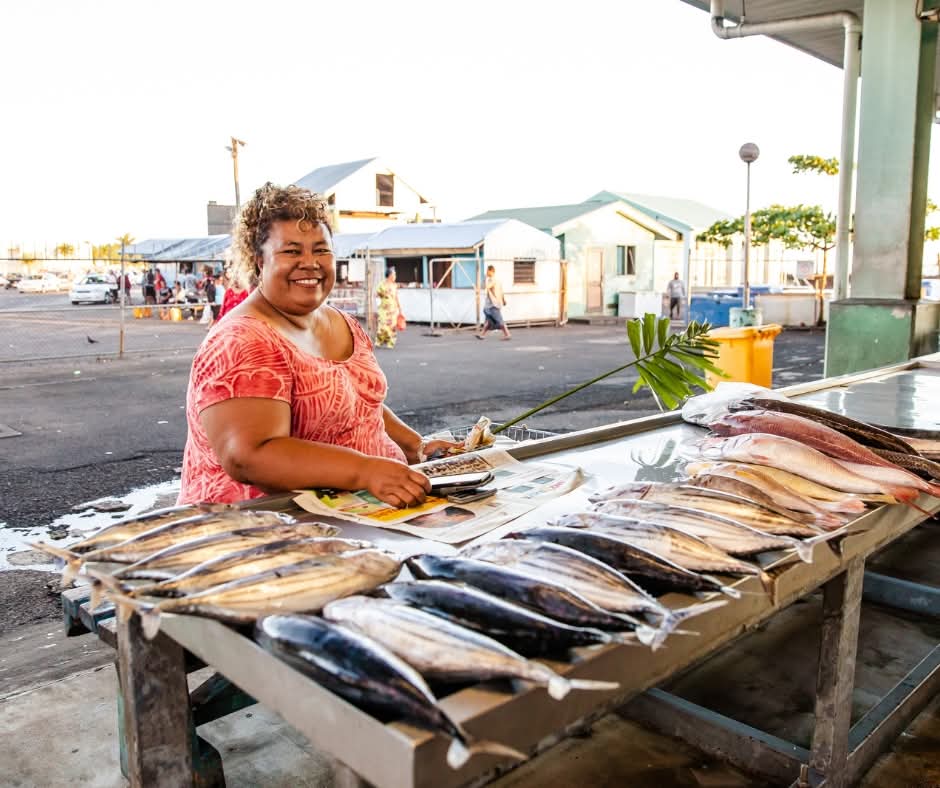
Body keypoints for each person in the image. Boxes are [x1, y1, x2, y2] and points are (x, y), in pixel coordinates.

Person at [177, 181, 458, 507]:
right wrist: (365, 471)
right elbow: (250, 456)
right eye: (292, 251)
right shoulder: (242, 340)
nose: (309, 262)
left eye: (321, 250)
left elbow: (358, 405)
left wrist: (415, 446)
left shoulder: (341, 322)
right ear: (259, 261)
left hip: (357, 516)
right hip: (264, 531)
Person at [477, 264, 511, 340]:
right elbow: (501, 291)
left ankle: (507, 334)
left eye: (487, 271)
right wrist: (503, 300)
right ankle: (482, 334)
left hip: (494, 304)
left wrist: (485, 278)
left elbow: (486, 287)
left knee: (499, 319)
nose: (486, 273)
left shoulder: (492, 280)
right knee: (488, 320)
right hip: (492, 304)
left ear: (491, 271)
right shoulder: (498, 280)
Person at [375, 267, 402, 348]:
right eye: (394, 274)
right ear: (390, 275)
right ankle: (379, 341)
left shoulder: (394, 286)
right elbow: (376, 295)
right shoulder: (381, 285)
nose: (395, 276)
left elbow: (396, 297)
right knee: (382, 326)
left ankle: (391, 343)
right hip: (383, 309)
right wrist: (378, 304)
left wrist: (399, 307)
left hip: (393, 309)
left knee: (392, 326)